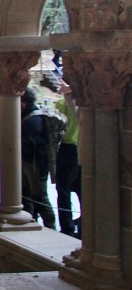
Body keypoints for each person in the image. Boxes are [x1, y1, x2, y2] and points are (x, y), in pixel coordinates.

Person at [20, 87, 57, 230]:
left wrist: (1, 118)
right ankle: (28, 219)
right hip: (28, 161)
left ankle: (50, 226)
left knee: (39, 196)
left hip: (36, 164)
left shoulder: (33, 120)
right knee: (25, 193)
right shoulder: (27, 115)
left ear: (22, 103)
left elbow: (16, 136)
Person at [55, 80, 82, 237]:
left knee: (63, 189)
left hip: (67, 149)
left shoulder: (61, 103)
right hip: (84, 148)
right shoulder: (89, 105)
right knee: (83, 189)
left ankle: (67, 226)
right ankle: (85, 224)